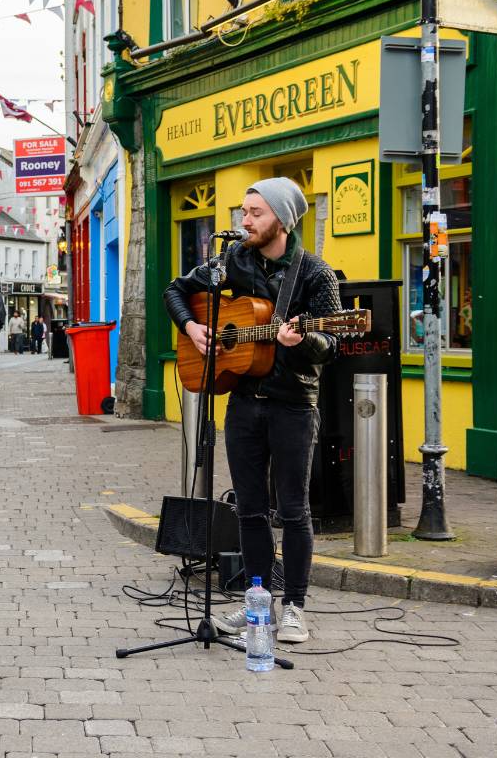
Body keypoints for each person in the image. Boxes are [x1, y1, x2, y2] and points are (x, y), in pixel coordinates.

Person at [164, 177, 340, 645]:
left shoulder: (315, 273)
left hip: (292, 405)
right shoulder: (233, 261)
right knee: (250, 511)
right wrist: (195, 328)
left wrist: (303, 340)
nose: (244, 221)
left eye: (255, 213)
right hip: (242, 403)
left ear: (281, 219)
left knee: (294, 510)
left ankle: (295, 607)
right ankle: (256, 602)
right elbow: (175, 291)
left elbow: (332, 345)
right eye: (244, 211)